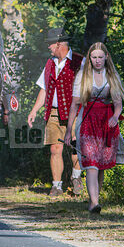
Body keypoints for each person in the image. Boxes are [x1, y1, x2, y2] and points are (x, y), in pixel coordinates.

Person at [64, 42, 124, 213]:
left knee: (101, 165)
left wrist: (115, 116)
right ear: (89, 58)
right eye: (94, 57)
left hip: (106, 123)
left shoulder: (111, 75)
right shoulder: (82, 77)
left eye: (100, 57)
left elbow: (118, 103)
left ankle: (94, 199)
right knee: (91, 163)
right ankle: (94, 203)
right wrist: (69, 130)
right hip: (87, 121)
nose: (98, 60)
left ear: (106, 57)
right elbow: (74, 105)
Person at [27, 27, 85, 197]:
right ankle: (57, 186)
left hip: (75, 110)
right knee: (55, 149)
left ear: (59, 44)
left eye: (50, 44)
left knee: (76, 146)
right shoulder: (50, 63)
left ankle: (76, 178)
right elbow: (44, 89)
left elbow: (87, 88)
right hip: (53, 111)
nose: (48, 47)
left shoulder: (79, 61)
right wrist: (34, 110)